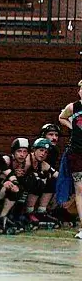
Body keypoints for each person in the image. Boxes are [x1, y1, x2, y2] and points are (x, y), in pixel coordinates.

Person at [59, 82, 82, 235]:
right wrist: (72, 126)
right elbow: (62, 117)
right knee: (80, 189)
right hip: (77, 151)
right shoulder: (73, 107)